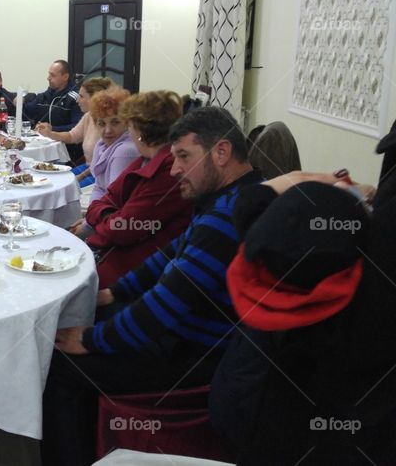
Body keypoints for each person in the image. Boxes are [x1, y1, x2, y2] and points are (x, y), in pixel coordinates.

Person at [41, 107, 261, 466]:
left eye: (183, 157)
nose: (174, 170)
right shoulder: (237, 196)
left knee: (61, 367)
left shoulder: (228, 217)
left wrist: (89, 340)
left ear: (221, 152)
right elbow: (168, 258)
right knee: (87, 317)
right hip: (190, 337)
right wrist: (114, 293)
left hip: (195, 357)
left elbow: (165, 307)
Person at [213, 172, 396, 464]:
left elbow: (254, 206)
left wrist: (323, 189)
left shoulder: (270, 263)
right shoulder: (375, 306)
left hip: (258, 428)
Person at [75, 91, 194, 288]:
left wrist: (100, 218)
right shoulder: (144, 160)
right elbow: (108, 198)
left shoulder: (169, 171)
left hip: (130, 269)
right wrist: (106, 215)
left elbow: (121, 229)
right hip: (111, 252)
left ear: (139, 132)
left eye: (128, 126)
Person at [35, 77, 112, 169]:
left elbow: (101, 166)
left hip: (99, 173)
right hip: (88, 167)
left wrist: (79, 177)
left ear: (95, 98)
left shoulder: (109, 125)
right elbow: (71, 136)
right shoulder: (89, 116)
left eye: (82, 97)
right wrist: (49, 133)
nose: (77, 100)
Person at [84, 87, 139, 203]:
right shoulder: (102, 145)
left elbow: (114, 200)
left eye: (115, 122)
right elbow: (98, 187)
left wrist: (90, 219)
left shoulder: (124, 151)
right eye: (102, 123)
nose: (108, 130)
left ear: (127, 122)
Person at [23, 60, 83, 161]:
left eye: (53, 75)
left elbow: (78, 126)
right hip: (44, 146)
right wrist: (21, 103)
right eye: (49, 74)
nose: (48, 78)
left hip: (67, 152)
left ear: (65, 77)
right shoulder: (45, 95)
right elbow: (28, 112)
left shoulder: (75, 98)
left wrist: (52, 129)